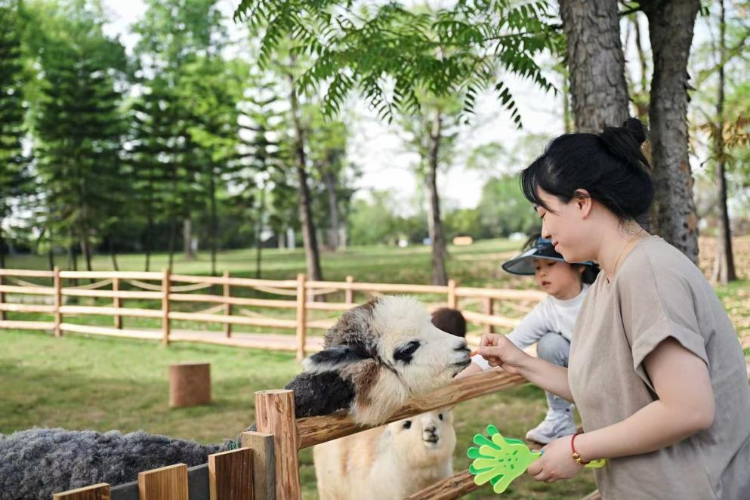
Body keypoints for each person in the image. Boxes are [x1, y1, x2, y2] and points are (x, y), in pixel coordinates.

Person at [478, 118, 750, 499]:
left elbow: (689, 408)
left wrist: (578, 449)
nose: (544, 233)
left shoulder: (647, 272)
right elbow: (608, 390)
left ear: (582, 202)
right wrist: (519, 361)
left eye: (545, 214)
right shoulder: (610, 279)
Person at [459, 234, 599, 444]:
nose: (542, 273)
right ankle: (560, 418)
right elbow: (511, 342)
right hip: (577, 378)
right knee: (550, 343)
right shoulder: (547, 310)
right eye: (537, 267)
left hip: (608, 371)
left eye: (550, 264)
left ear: (579, 265)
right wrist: (456, 380)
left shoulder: (598, 296)